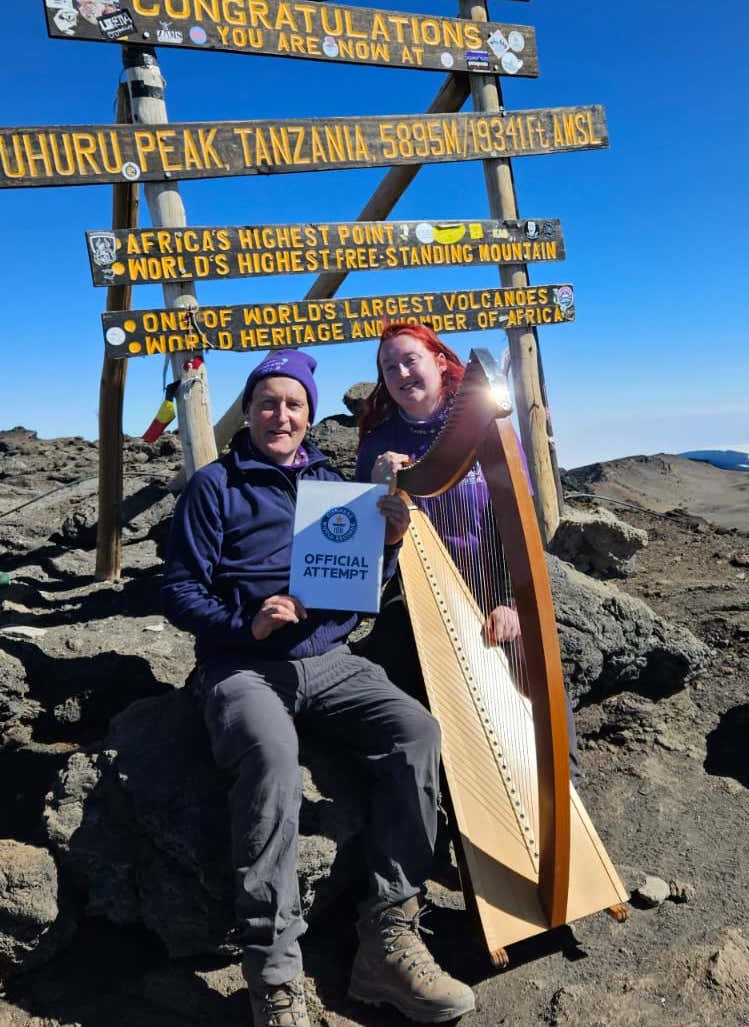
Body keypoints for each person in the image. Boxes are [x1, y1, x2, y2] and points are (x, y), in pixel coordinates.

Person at [163, 350, 476, 1027]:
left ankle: (386, 937)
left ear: (309, 415)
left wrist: (388, 545)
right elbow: (179, 590)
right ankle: (275, 976)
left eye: (294, 404)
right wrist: (243, 620)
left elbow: (359, 590)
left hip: (328, 659)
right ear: (247, 412)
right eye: (268, 402)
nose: (281, 414)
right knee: (273, 759)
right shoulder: (213, 486)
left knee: (416, 730)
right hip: (241, 666)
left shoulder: (333, 484)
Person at [353, 324, 577, 777]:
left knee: (532, 655)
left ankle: (565, 779)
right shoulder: (378, 443)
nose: (401, 373)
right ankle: (454, 782)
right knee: (405, 665)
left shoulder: (483, 427)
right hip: (414, 594)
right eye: (388, 367)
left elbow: (520, 525)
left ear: (439, 361)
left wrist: (513, 602)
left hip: (494, 584)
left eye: (410, 359)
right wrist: (373, 488)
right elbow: (363, 547)